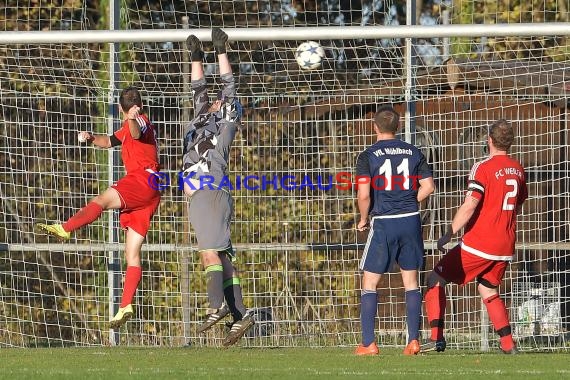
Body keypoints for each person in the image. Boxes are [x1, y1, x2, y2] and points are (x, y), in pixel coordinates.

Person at [37, 87, 161, 329]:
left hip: (142, 180)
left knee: (101, 201)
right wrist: (92, 138)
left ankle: (66, 228)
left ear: (120, 107)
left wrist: (133, 118)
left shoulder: (140, 122)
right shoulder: (128, 125)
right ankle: (125, 305)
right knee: (131, 254)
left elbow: (136, 133)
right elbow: (110, 141)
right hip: (151, 190)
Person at [424, 119, 527, 354]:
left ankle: (436, 338)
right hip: (505, 244)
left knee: (435, 279)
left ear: (489, 140)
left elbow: (470, 204)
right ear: (510, 142)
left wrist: (449, 233)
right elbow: (518, 203)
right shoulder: (518, 169)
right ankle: (508, 344)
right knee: (488, 290)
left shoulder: (483, 167)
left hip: (480, 243)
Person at [181, 28, 253, 347]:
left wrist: (221, 50)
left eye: (221, 101)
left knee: (209, 253)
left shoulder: (225, 125)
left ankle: (218, 306)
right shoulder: (200, 118)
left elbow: (230, 88)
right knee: (220, 258)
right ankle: (240, 315)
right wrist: (196, 56)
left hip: (209, 191)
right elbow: (198, 89)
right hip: (201, 196)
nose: (214, 101)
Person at [354, 105, 435, 356]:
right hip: (411, 220)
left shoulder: (367, 155)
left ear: (374, 127)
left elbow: (364, 194)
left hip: (385, 222)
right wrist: (411, 202)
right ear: (398, 127)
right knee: (411, 282)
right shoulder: (413, 152)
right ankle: (413, 341)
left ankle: (368, 343)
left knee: (370, 282)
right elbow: (429, 187)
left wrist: (363, 218)